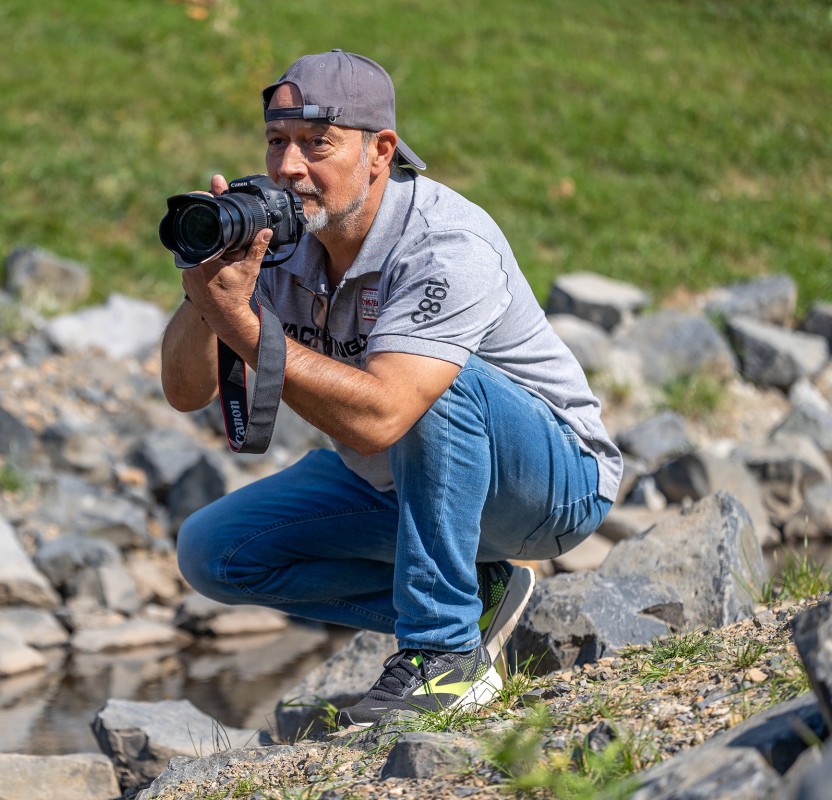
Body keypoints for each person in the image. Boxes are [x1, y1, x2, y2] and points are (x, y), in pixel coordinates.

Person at [159, 50, 622, 726]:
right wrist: (207, 292)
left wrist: (247, 327)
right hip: (404, 484)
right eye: (277, 141)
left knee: (431, 386)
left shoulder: (444, 242)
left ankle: (445, 655)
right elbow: (185, 390)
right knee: (213, 552)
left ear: (380, 151)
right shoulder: (284, 239)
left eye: (316, 144)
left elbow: (384, 416)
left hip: (552, 484)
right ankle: (478, 593)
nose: (289, 167)